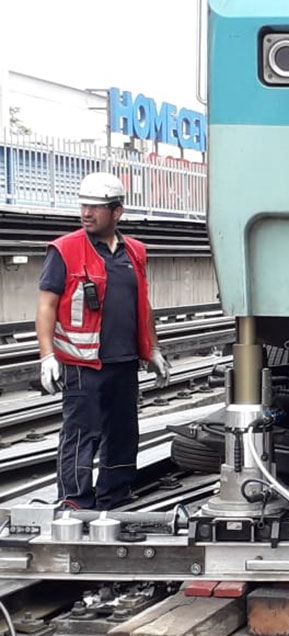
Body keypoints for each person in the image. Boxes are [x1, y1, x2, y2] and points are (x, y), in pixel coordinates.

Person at [36, 172, 171, 510]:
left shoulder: (135, 252)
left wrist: (152, 348)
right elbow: (46, 305)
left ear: (117, 212)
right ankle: (76, 502)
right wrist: (47, 355)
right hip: (83, 365)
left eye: (95, 207)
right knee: (82, 434)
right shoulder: (65, 249)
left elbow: (143, 304)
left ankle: (115, 496)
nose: (86, 213)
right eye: (84, 205)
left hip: (124, 361)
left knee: (123, 434)